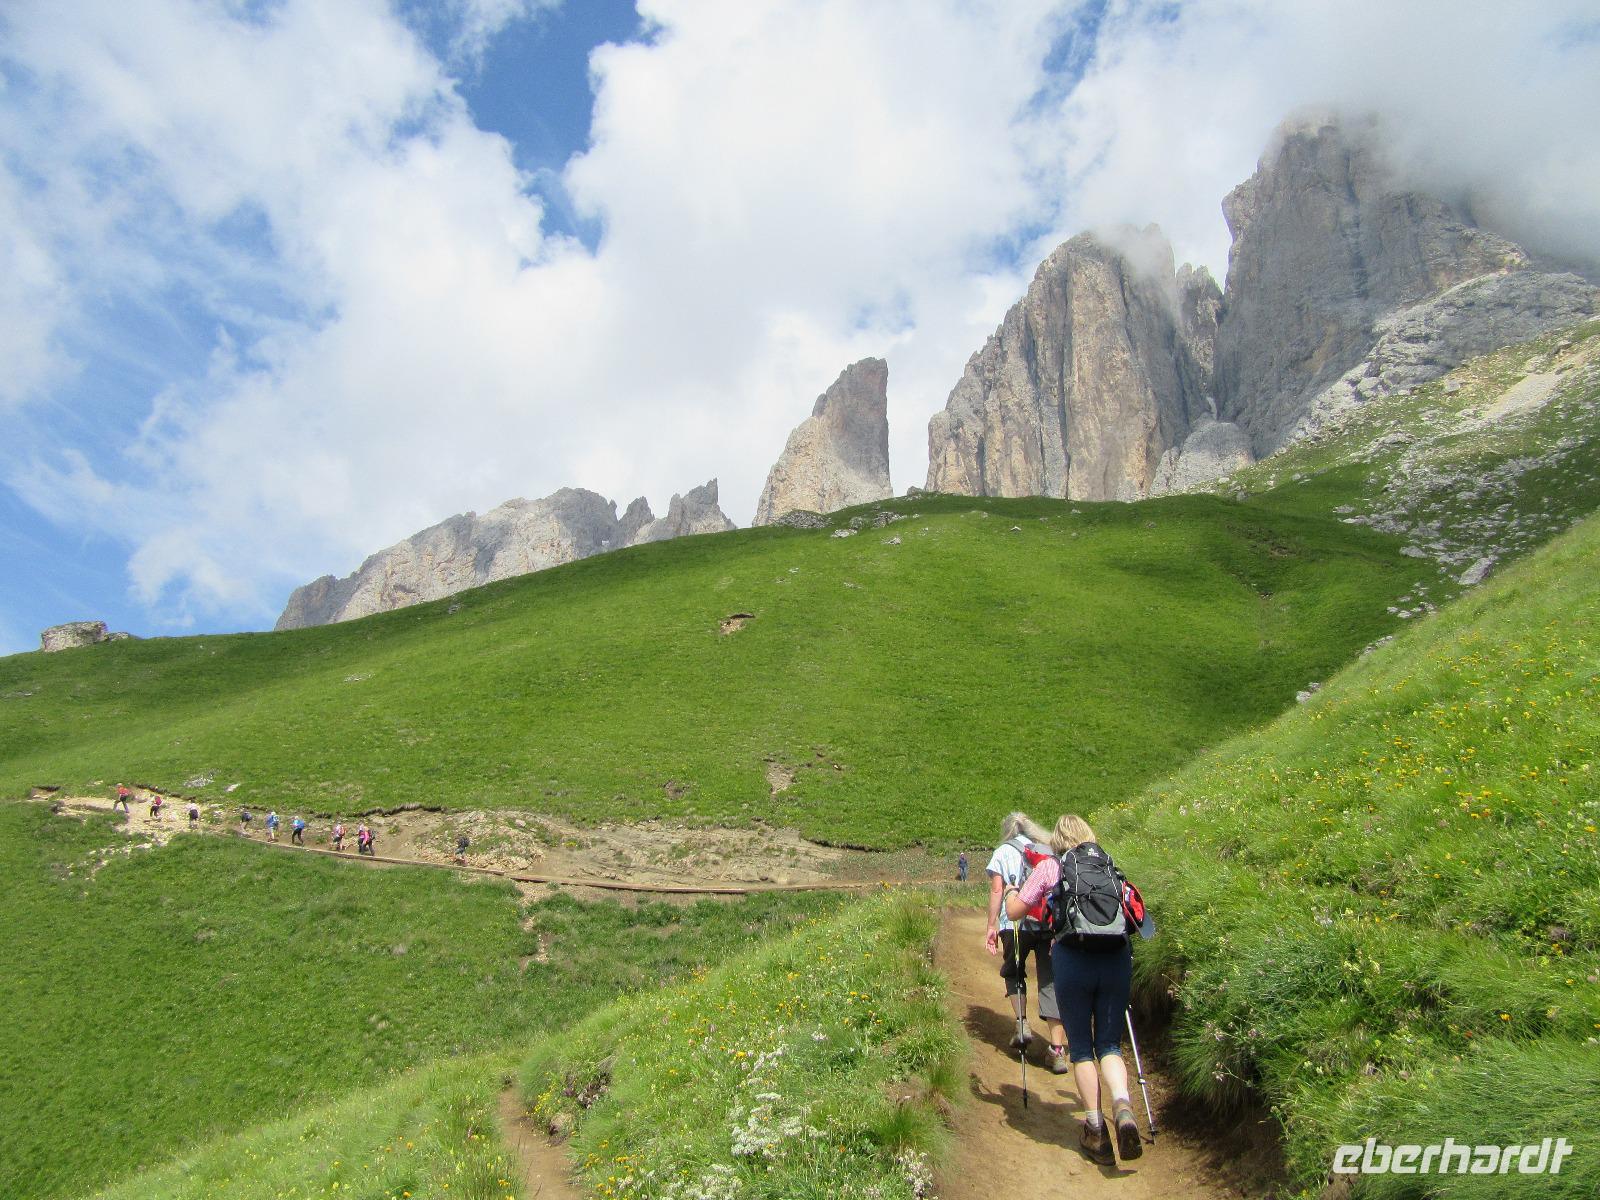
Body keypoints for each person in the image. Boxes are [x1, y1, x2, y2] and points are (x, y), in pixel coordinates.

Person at [1006, 814, 1141, 1166]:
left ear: (1058, 839)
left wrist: (1010, 891)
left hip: (1073, 961)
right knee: (1109, 1045)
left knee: (1081, 1049)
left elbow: (1016, 912)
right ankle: (1122, 1106)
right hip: (1115, 959)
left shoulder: (1051, 867)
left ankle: (1095, 1130)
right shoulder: (1108, 865)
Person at [985, 812, 1069, 1075]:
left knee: (1014, 971)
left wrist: (991, 925)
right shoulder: (1048, 850)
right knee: (1050, 980)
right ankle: (1057, 1050)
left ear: (1006, 830)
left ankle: (1022, 1024)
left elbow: (997, 890)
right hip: (1046, 922)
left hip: (1014, 923)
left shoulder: (1002, 851)